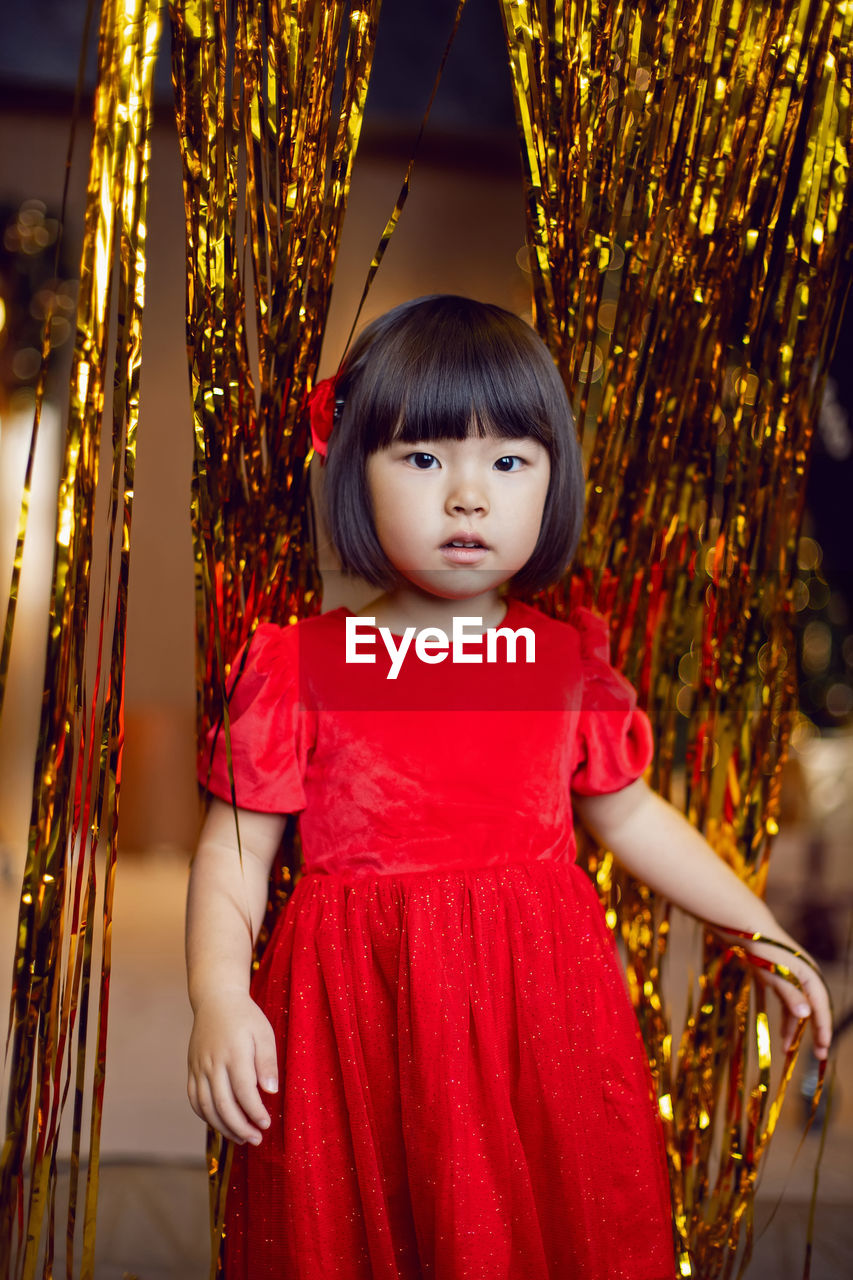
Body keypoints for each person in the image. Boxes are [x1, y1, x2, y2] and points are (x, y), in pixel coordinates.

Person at [185, 295, 832, 1280]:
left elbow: (630, 815)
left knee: (544, 1229)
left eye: (507, 460)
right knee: (360, 1235)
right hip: (358, 1023)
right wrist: (217, 995)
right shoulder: (303, 665)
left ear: (552, 479)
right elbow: (234, 859)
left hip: (537, 1017)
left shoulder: (562, 661)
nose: (467, 496)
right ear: (352, 467)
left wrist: (762, 932)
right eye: (423, 457)